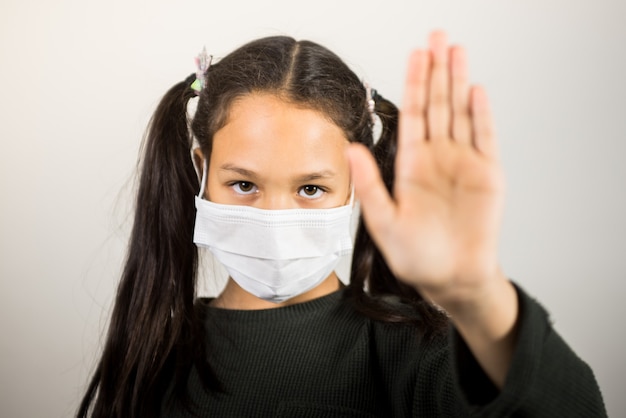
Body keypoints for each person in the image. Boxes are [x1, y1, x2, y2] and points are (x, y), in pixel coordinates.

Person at [77, 31, 607, 417]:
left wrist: (478, 295)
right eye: (244, 184)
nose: (275, 218)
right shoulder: (154, 354)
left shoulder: (413, 352)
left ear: (357, 183)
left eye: (311, 188)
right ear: (202, 169)